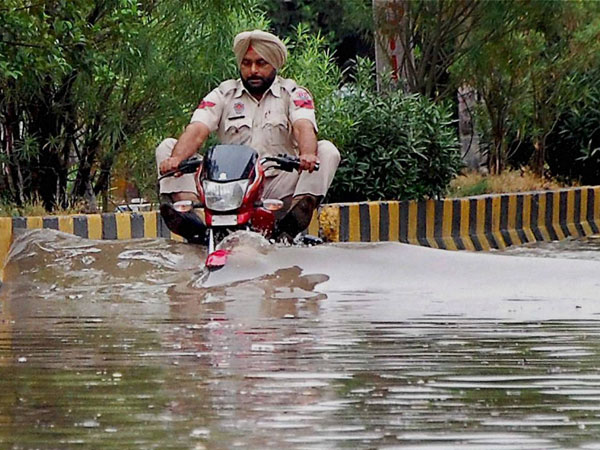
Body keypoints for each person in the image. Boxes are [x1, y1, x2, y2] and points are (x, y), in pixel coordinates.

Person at [156, 29, 340, 243]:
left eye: (261, 63)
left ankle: (294, 219)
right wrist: (176, 159)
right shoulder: (223, 94)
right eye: (246, 63)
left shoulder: (294, 93)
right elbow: (197, 129)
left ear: (274, 65)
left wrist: (307, 154)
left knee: (326, 150)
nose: (253, 70)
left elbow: (303, 126)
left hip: (276, 186)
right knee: (167, 147)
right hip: (227, 188)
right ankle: (193, 222)